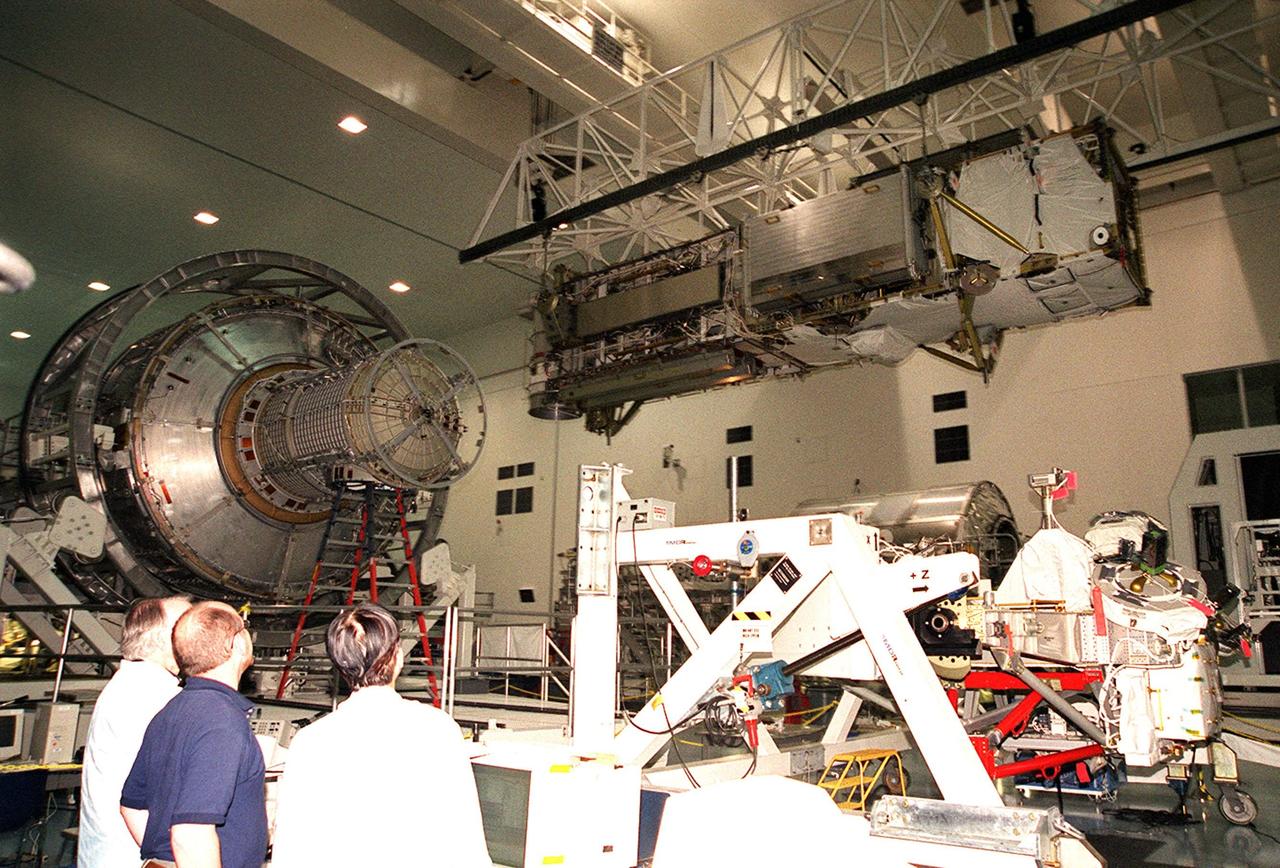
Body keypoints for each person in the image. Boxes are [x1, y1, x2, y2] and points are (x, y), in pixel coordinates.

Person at [270, 603, 491, 866]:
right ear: (397, 657)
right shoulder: (437, 729)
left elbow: (292, 850)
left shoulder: (310, 741)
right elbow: (466, 842)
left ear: (340, 665)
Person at [120, 601, 267, 868]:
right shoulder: (222, 722)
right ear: (235, 645)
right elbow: (190, 832)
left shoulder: (170, 711)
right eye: (244, 628)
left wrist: (166, 860)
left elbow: (132, 806)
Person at [79, 596, 192, 867]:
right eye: (189, 626)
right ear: (165, 639)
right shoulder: (154, 695)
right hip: (133, 855)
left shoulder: (130, 682)